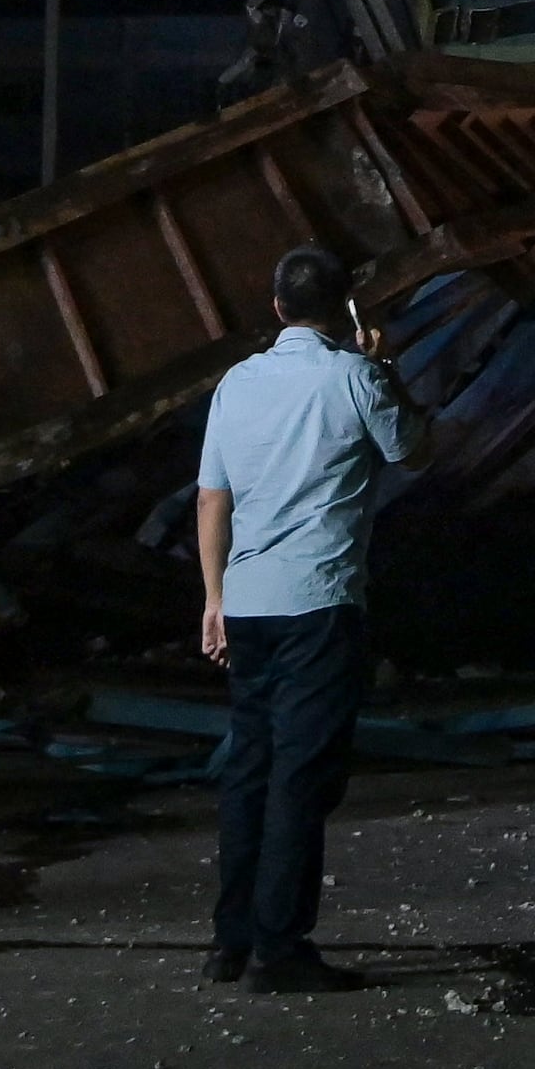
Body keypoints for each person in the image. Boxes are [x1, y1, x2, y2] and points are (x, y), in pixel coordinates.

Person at [193, 243, 422, 990]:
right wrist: (386, 368)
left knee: (249, 772)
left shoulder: (237, 382)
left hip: (247, 604)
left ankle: (229, 944)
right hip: (319, 605)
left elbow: (211, 499)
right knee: (300, 780)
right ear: (344, 307)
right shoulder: (355, 377)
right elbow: (415, 448)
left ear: (277, 307)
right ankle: (279, 951)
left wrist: (215, 599)